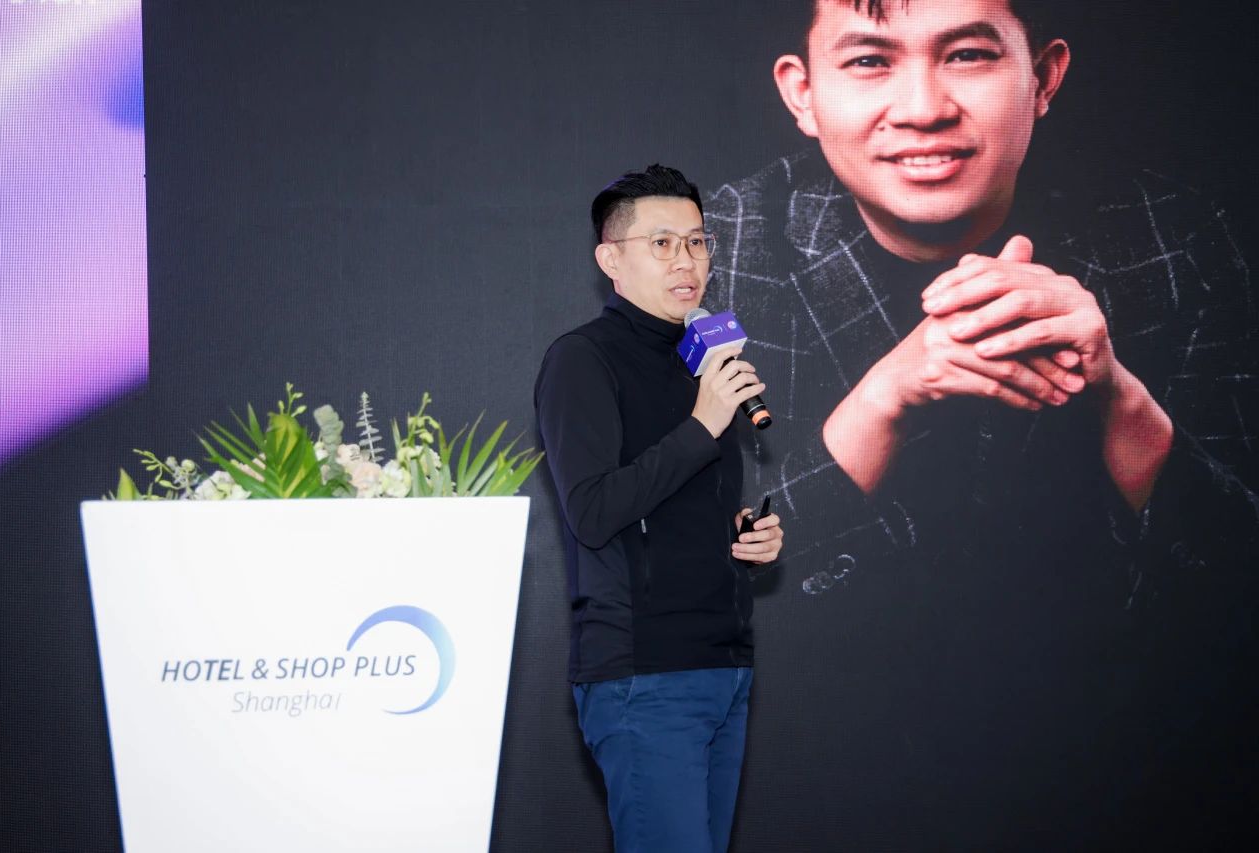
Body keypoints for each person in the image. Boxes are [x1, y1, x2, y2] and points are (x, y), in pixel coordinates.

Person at [703, 0, 1258, 845]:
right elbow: (680, 596)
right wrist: (885, 397)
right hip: (810, 797)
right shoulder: (715, 256)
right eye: (869, 62)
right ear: (802, 92)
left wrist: (1117, 395)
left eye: (967, 54)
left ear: (1045, 78)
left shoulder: (1170, 241)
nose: (923, 107)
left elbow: (1232, 609)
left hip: (1132, 793)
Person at [535, 164, 785, 853]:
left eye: (698, 242)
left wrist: (744, 534)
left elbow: (669, 503)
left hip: (724, 663)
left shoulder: (706, 361)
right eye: (663, 243)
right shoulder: (582, 360)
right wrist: (704, 424)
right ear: (611, 259)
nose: (687, 261)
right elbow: (593, 511)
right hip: (644, 672)